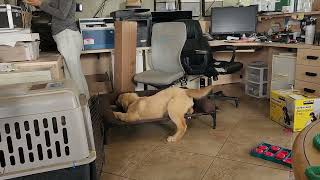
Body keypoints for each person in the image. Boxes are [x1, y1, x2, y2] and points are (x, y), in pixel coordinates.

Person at [25, 0, 90, 98]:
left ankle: (82, 105)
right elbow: (53, 8)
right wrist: (38, 4)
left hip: (67, 35)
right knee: (73, 73)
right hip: (66, 35)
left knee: (74, 75)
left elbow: (62, 14)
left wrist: (41, 4)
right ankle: (84, 105)